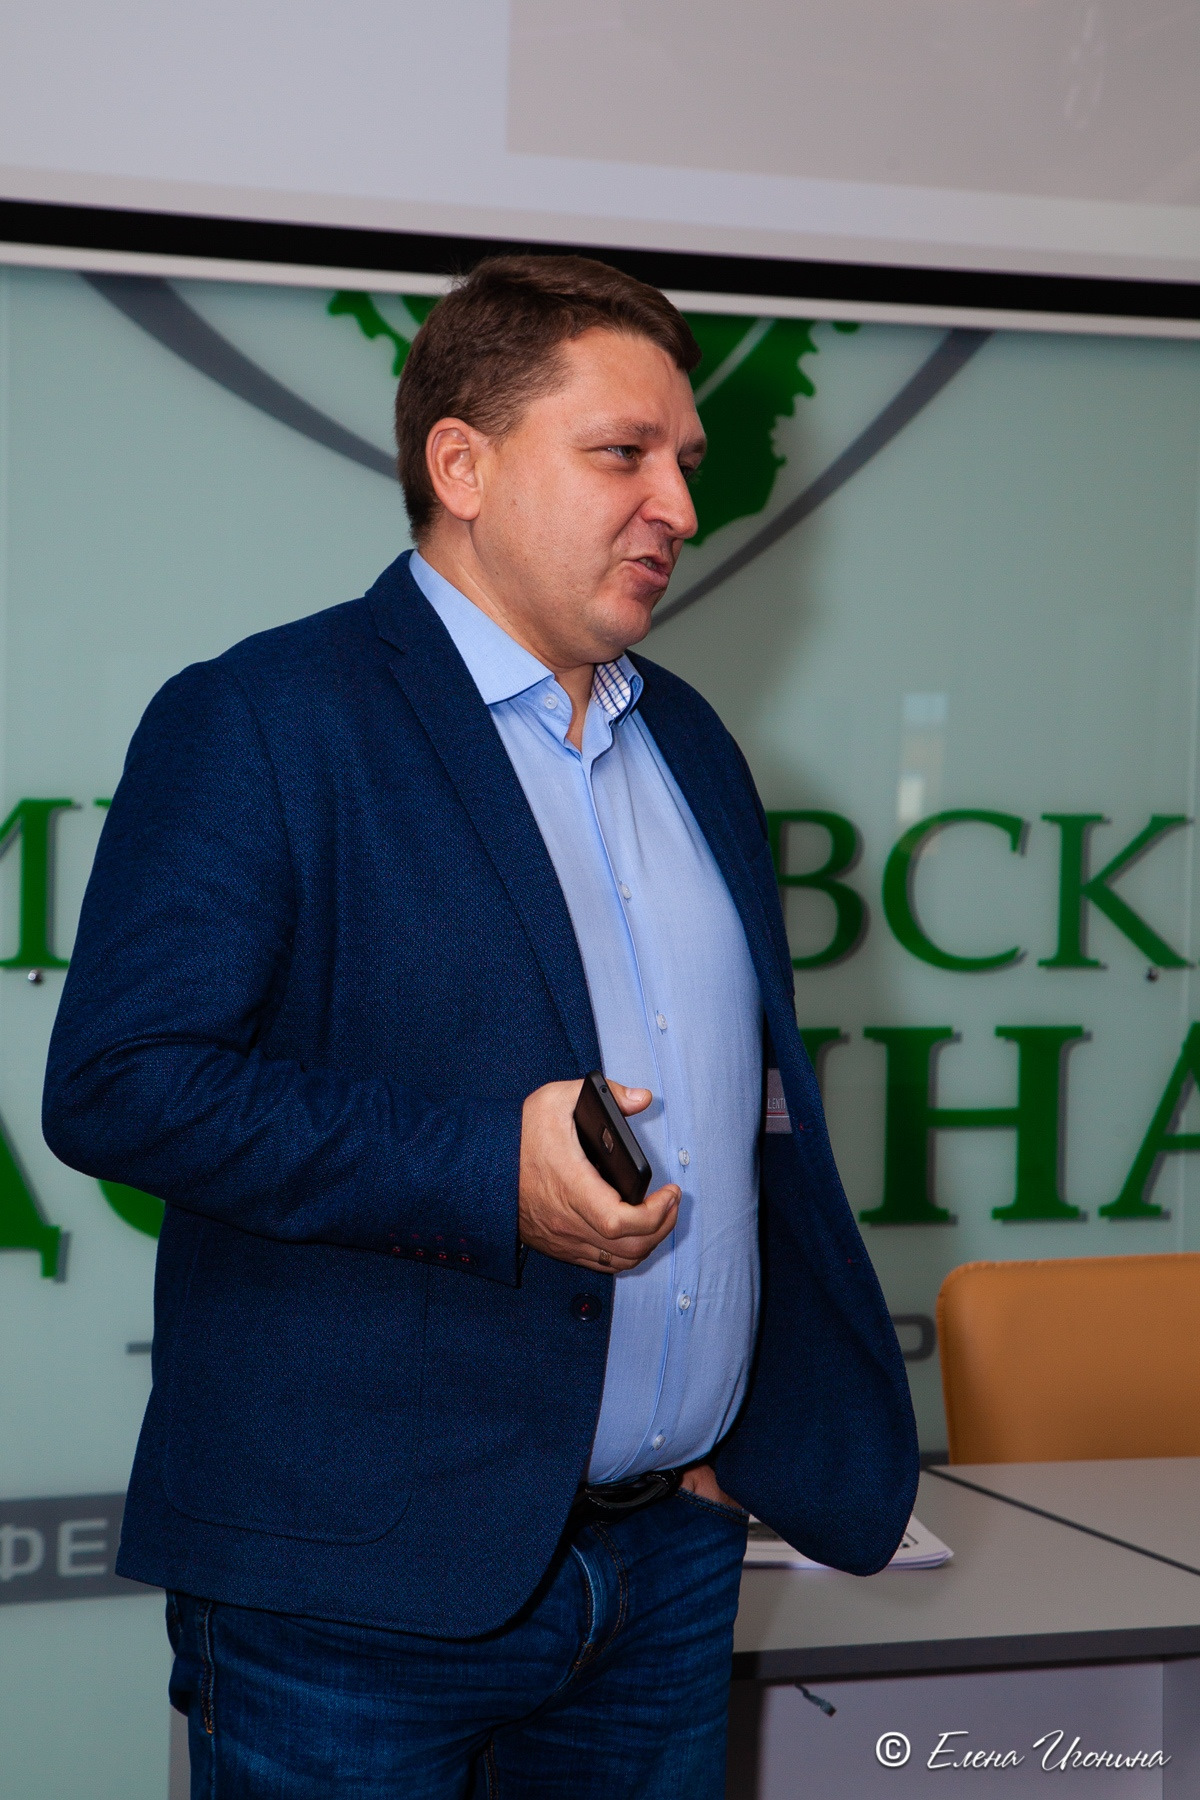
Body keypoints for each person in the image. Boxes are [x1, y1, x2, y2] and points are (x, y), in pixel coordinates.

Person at [43, 255, 917, 1798]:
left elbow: (751, 1122)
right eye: (622, 453)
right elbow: (123, 1082)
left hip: (665, 1561)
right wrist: (485, 1171)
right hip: (353, 1588)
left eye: (685, 462)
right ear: (462, 465)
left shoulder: (694, 742)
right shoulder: (261, 720)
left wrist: (729, 1437)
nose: (679, 507)